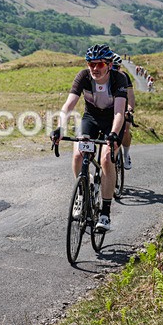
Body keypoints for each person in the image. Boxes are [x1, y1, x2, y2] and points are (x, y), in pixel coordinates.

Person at [51, 44, 128, 232]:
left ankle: (105, 213)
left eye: (99, 64)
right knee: (78, 155)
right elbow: (68, 105)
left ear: (109, 65)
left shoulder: (119, 79)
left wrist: (113, 134)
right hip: (91, 119)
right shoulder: (83, 76)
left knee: (105, 159)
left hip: (112, 121)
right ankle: (82, 192)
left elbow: (119, 112)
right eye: (90, 64)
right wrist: (60, 127)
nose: (94, 68)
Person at [111, 54, 135, 169]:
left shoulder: (124, 77)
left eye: (117, 67)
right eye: (112, 67)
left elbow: (130, 95)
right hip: (109, 108)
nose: (114, 70)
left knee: (125, 128)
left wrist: (130, 109)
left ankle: (126, 154)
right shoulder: (104, 76)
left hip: (122, 108)